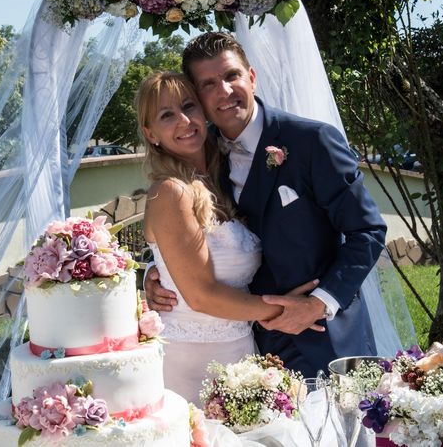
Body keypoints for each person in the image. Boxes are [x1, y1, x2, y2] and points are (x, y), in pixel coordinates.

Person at [144, 32, 387, 378]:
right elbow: (175, 229)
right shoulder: (199, 152)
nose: (224, 92)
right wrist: (153, 276)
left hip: (324, 337)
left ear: (252, 77)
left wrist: (321, 302)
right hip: (248, 347)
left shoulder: (311, 141)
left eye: (231, 76)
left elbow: (368, 230)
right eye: (209, 84)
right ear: (199, 96)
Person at [135, 70, 319, 404]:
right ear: (151, 134)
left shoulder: (222, 178)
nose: (184, 120)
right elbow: (201, 296)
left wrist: (153, 270)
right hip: (189, 359)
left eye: (189, 106)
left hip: (239, 347)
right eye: (166, 115)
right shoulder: (170, 192)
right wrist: (284, 312)